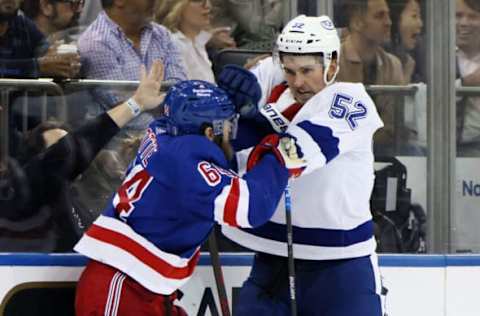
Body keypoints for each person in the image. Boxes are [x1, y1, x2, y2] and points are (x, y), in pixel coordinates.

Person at [73, 79, 304, 316]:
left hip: (142, 286)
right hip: (124, 289)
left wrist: (252, 121)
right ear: (207, 131)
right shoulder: (187, 165)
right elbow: (250, 208)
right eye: (228, 125)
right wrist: (280, 160)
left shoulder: (163, 131)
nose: (231, 133)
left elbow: (218, 157)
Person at [217, 15, 386, 315]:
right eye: (291, 71)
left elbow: (294, 152)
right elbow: (256, 80)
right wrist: (227, 108)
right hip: (273, 261)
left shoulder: (352, 103)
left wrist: (252, 125)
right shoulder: (278, 85)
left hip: (342, 268)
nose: (298, 82)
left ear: (331, 65)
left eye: (308, 71)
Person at [0, 60, 166, 252]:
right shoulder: (23, 184)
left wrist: (136, 104)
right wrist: (135, 104)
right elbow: (70, 149)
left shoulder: (22, 157)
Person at [78, 0, 187, 131]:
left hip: (166, 133)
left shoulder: (162, 34)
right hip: (117, 144)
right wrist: (169, 132)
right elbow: (126, 109)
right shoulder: (95, 43)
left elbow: (179, 89)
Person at [335, 0, 405, 155]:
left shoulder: (394, 65)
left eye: (388, 16)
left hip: (383, 152)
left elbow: (392, 127)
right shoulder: (333, 63)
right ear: (357, 22)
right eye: (380, 16)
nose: (388, 22)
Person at [0, 0, 80, 78]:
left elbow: (45, 52)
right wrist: (38, 67)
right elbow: (3, 70)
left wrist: (62, 60)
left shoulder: (23, 26)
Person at [155, 0, 216, 83]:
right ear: (177, 6)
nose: (207, 6)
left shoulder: (198, 43)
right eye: (199, 1)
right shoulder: (173, 45)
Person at [456, 0, 480, 156]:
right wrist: (466, 83)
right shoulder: (428, 57)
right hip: (447, 153)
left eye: (472, 17)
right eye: (458, 16)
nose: (464, 23)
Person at [386, 0, 424, 83]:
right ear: (395, 19)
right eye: (414, 16)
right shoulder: (382, 61)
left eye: (419, 17)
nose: (420, 24)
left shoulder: (414, 59)